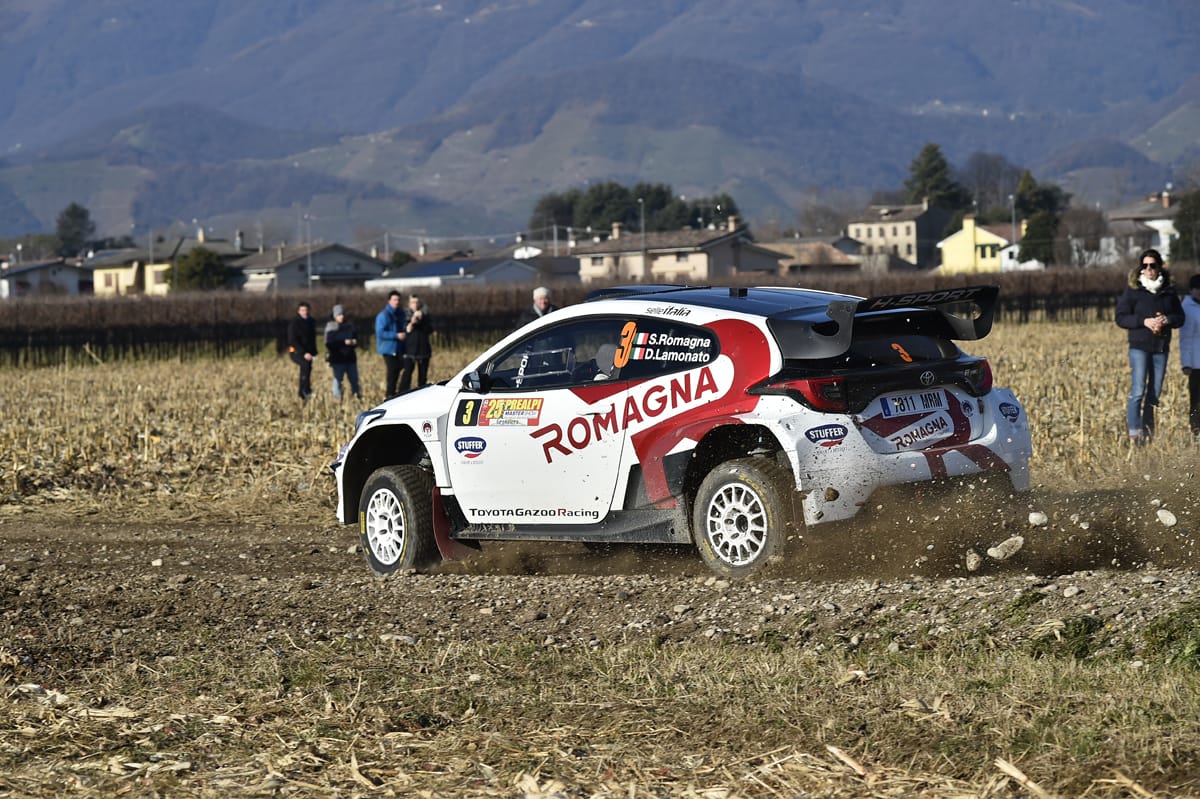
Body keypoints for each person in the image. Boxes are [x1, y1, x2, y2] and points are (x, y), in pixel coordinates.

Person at [1115, 249, 1184, 445]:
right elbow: (1120, 317)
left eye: (1152, 265)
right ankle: (1134, 433)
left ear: (1159, 267)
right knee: (1138, 391)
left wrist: (1167, 319)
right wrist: (1143, 321)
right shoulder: (1133, 291)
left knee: (1154, 393)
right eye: (1144, 266)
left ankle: (1148, 434)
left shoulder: (1168, 291)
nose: (1148, 269)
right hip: (1139, 346)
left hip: (1161, 347)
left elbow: (1180, 317)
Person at [324, 304, 361, 401]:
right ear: (335, 316)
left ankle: (357, 398)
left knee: (354, 381)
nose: (342, 316)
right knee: (338, 381)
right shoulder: (330, 328)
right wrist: (343, 342)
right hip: (338, 359)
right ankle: (337, 400)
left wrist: (354, 342)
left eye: (343, 314)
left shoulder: (350, 326)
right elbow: (329, 344)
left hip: (350, 358)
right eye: (339, 315)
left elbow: (356, 338)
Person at [398, 294, 434, 393]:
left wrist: (422, 320)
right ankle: (402, 393)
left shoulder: (425, 315)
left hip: (423, 349)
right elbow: (406, 329)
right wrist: (412, 322)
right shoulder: (405, 315)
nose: (415, 304)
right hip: (409, 350)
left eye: (417, 302)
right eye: (413, 302)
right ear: (409, 304)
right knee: (407, 375)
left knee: (422, 377)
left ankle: (421, 394)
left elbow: (430, 330)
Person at [1179, 273, 1200, 437]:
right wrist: (1186, 363)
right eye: (1197, 289)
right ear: (1191, 290)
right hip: (1196, 363)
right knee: (1197, 400)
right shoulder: (1187, 308)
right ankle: (1195, 430)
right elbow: (1185, 338)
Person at [375, 291, 406, 399]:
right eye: (394, 300)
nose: (397, 302)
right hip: (388, 348)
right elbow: (380, 332)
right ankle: (389, 395)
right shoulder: (383, 316)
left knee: (403, 368)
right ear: (389, 301)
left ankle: (400, 393)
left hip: (400, 348)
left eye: (398, 300)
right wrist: (396, 335)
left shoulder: (401, 314)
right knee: (392, 372)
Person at [287, 301, 318, 401]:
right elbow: (292, 341)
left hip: (308, 352)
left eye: (306, 310)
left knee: (308, 368)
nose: (304, 312)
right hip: (296, 352)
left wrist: (314, 352)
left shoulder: (311, 322)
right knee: (305, 366)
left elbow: (312, 338)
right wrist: (303, 353)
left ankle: (307, 390)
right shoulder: (294, 324)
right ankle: (303, 391)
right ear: (298, 311)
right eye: (302, 310)